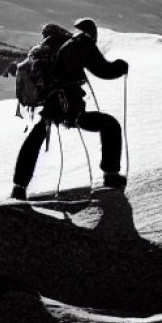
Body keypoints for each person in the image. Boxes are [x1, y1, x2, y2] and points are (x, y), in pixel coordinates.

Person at [11, 18, 129, 200]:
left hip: (51, 106)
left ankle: (19, 187)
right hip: (71, 105)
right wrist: (121, 67)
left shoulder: (42, 53)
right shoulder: (78, 44)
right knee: (110, 125)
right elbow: (104, 70)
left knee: (36, 138)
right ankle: (111, 176)